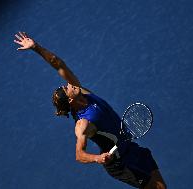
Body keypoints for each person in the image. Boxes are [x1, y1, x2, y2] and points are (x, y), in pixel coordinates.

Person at [14, 32, 167, 189]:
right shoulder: (83, 123)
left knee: (162, 187)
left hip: (129, 148)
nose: (68, 85)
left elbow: (58, 64)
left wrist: (36, 47)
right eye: (67, 89)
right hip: (120, 162)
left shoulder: (83, 92)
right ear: (71, 101)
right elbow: (79, 155)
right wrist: (97, 158)